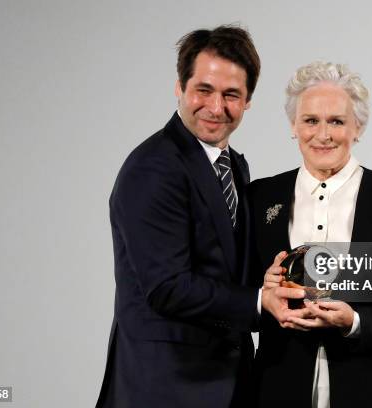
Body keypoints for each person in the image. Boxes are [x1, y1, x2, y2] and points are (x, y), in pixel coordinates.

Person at [95, 25, 304, 408]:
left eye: (231, 95)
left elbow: (227, 267)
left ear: (248, 101)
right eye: (203, 90)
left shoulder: (234, 166)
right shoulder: (153, 168)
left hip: (228, 380)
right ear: (179, 87)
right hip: (164, 386)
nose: (215, 107)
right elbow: (167, 287)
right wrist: (260, 301)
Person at [250, 61, 372, 408]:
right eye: (310, 120)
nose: (324, 134)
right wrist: (265, 289)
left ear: (358, 127)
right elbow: (240, 290)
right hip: (276, 386)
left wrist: (356, 321)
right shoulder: (259, 197)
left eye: (337, 121)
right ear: (293, 125)